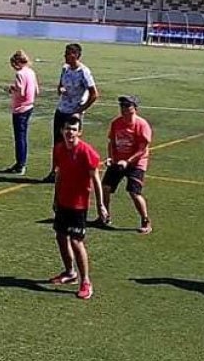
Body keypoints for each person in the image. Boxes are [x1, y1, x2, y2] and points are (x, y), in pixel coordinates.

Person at [49, 114, 106, 300]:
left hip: (78, 205)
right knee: (60, 236)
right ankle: (69, 273)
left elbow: (95, 180)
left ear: (79, 131)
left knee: (76, 241)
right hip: (63, 202)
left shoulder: (86, 152)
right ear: (62, 131)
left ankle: (86, 281)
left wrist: (100, 205)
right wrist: (55, 198)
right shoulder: (59, 149)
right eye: (67, 129)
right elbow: (59, 175)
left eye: (73, 129)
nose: (70, 132)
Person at [44, 43, 98, 183]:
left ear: (75, 55)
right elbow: (60, 85)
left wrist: (80, 110)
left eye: (68, 53)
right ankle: (54, 171)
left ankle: (71, 172)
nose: (65, 56)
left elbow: (94, 94)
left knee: (72, 143)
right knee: (57, 143)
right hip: (61, 110)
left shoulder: (84, 72)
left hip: (73, 113)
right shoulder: (65, 69)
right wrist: (61, 89)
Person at [100, 95, 153, 234]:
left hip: (136, 163)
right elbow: (111, 142)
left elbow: (142, 149)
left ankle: (145, 220)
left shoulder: (142, 125)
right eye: (122, 106)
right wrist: (111, 158)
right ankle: (104, 217)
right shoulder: (116, 123)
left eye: (127, 106)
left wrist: (128, 161)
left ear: (135, 108)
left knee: (134, 192)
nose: (123, 109)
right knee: (105, 187)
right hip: (118, 160)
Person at [3, 50, 39, 175]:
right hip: (29, 106)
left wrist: (11, 89)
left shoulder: (20, 74)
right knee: (22, 136)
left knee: (20, 138)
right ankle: (20, 163)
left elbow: (21, 91)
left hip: (20, 108)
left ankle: (20, 164)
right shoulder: (31, 72)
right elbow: (36, 90)